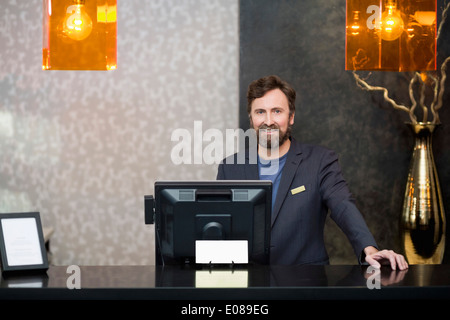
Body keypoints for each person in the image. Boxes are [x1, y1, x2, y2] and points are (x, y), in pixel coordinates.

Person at [216, 75, 408, 270]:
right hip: (247, 284)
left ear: (291, 117)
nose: (268, 121)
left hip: (307, 283)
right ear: (251, 118)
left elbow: (343, 205)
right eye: (260, 112)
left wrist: (370, 249)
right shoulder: (230, 167)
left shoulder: (320, 161)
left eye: (277, 111)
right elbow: (218, 228)